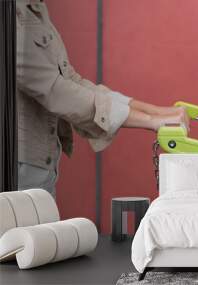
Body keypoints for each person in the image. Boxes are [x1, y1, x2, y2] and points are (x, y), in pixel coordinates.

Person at [16, 0, 189, 197]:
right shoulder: (9, 15)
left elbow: (70, 78)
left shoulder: (33, 8)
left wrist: (158, 112)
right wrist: (152, 122)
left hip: (40, 165)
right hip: (20, 172)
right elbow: (55, 89)